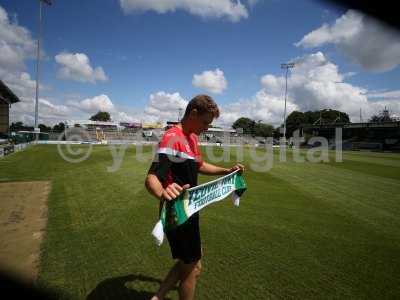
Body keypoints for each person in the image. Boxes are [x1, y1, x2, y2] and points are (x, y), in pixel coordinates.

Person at [145, 95, 244, 300]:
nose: (207, 128)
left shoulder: (191, 137)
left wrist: (226, 171)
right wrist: (162, 192)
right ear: (193, 113)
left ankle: (157, 297)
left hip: (190, 208)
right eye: (206, 122)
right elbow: (152, 177)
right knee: (192, 269)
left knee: (190, 264)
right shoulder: (172, 137)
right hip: (177, 212)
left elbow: (199, 165)